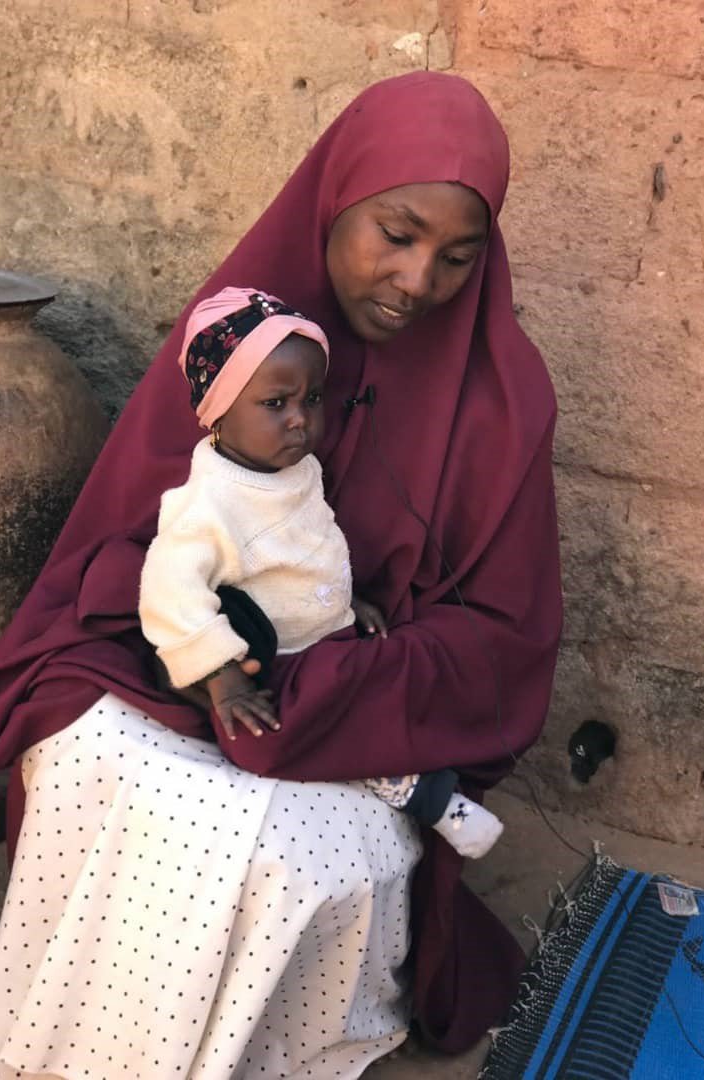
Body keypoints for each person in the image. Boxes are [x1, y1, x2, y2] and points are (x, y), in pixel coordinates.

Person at [0, 70, 562, 1078]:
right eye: (397, 235)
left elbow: (506, 637)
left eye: (458, 257)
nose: (418, 282)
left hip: (362, 717)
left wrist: (342, 679)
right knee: (92, 774)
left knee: (281, 859)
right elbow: (122, 552)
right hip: (186, 672)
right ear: (336, 201)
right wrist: (212, 649)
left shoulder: (506, 400)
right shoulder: (236, 341)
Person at [140, 285, 504, 859]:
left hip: (323, 640)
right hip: (270, 663)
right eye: (274, 404)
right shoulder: (206, 504)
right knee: (264, 738)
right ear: (219, 409)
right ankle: (411, 788)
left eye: (312, 399)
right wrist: (221, 676)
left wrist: (342, 601)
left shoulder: (297, 469)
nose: (299, 421)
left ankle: (415, 753)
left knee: (399, 669)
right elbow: (168, 592)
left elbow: (310, 548)